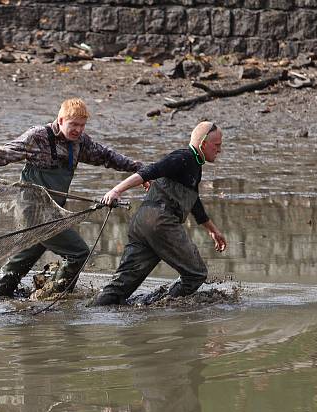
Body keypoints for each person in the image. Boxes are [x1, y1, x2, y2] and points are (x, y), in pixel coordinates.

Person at [0, 98, 143, 297]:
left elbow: (107, 156)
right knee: (78, 253)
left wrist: (140, 170)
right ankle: (53, 295)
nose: (78, 130)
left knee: (22, 259)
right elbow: (0, 154)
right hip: (33, 210)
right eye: (73, 124)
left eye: (82, 126)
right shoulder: (38, 137)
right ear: (60, 120)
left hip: (54, 210)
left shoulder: (80, 143)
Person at [94, 121, 227, 305]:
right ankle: (154, 306)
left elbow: (193, 201)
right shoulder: (183, 157)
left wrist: (212, 230)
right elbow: (150, 170)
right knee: (196, 274)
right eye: (217, 145)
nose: (219, 150)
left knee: (120, 287)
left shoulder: (194, 164)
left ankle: (96, 308)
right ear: (203, 143)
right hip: (161, 223)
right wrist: (116, 191)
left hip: (143, 223)